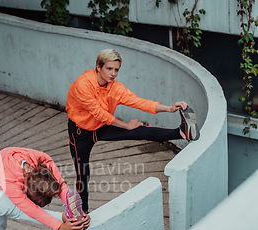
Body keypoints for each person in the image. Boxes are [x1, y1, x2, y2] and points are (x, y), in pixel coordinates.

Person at [66, 48, 199, 213]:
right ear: (98, 67)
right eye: (109, 68)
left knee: (139, 129)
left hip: (100, 127)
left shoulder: (115, 88)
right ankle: (82, 212)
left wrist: (169, 108)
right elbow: (99, 114)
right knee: (83, 173)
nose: (113, 73)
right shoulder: (83, 84)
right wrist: (126, 125)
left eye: (116, 70)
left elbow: (139, 102)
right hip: (80, 133)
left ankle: (180, 132)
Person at [0, 147, 90, 230]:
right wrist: (60, 225)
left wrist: (74, 207)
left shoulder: (44, 159)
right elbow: (33, 211)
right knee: (17, 213)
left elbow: (60, 186)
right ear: (24, 188)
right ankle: (66, 217)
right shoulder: (10, 183)